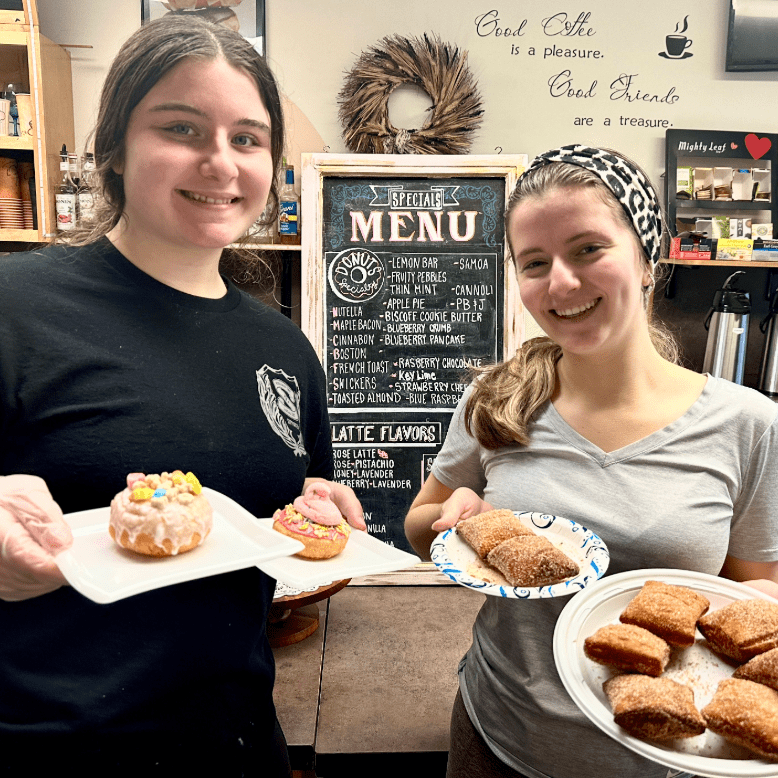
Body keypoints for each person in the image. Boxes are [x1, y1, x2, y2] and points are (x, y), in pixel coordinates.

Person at [0, 15, 364, 776]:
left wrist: (314, 519)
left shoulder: (283, 349)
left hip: (233, 745)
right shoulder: (15, 306)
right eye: (181, 127)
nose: (220, 162)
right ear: (114, 148)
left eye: (246, 138)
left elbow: (271, 542)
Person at [405, 145, 778, 778]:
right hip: (500, 735)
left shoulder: (748, 425)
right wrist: (451, 516)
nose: (560, 284)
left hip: (665, 753)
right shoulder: (497, 400)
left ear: (646, 254)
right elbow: (418, 529)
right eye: (534, 263)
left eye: (588, 249)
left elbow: (758, 591)